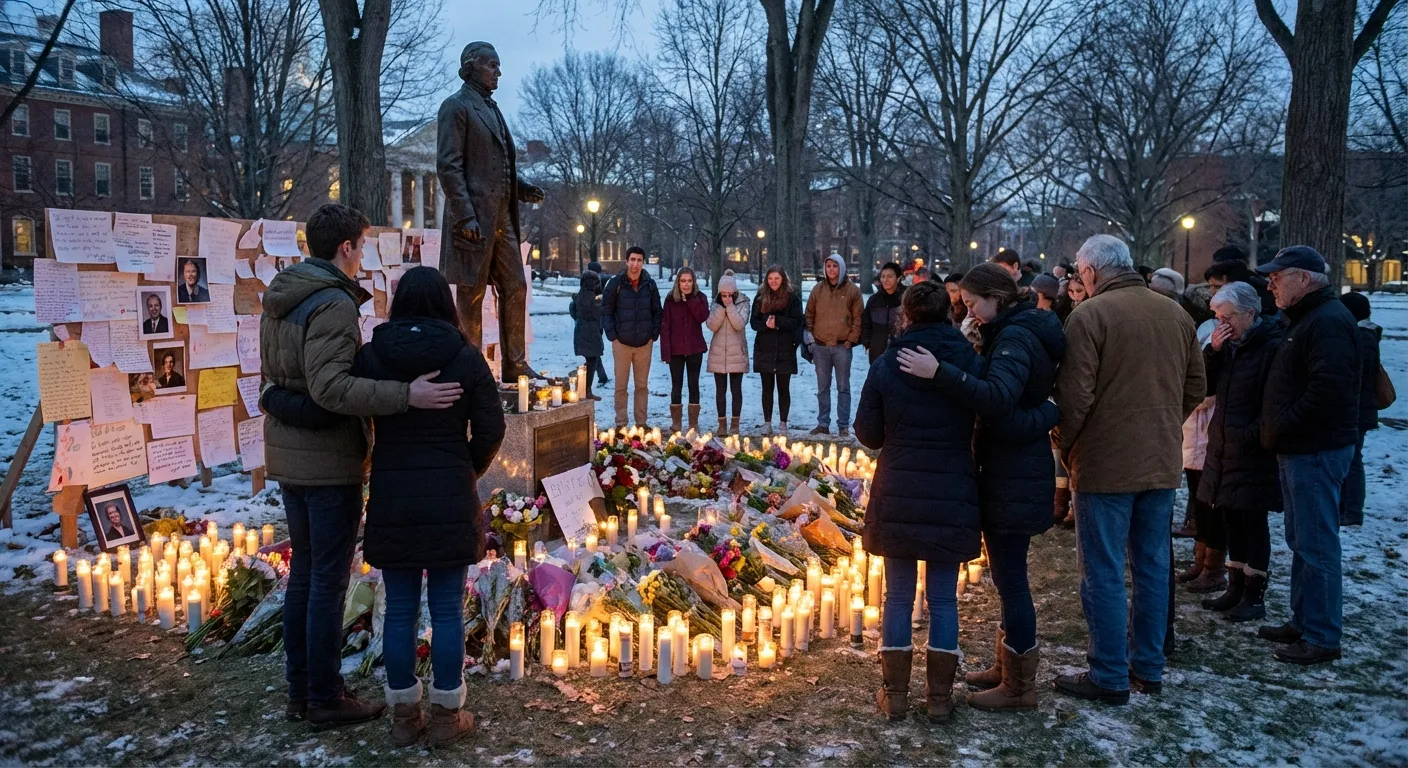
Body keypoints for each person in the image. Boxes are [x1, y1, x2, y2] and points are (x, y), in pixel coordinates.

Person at [259, 203, 462, 729]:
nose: (363, 254)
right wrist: (406, 395)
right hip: (326, 460)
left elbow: (284, 379)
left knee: (305, 575)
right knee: (325, 581)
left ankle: (302, 689)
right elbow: (329, 387)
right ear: (346, 247)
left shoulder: (285, 294)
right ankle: (324, 696)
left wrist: (275, 401)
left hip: (290, 453)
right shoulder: (332, 303)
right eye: (362, 245)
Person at [897, 263, 1065, 712]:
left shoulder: (1014, 338)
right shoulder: (1009, 330)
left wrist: (940, 372)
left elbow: (995, 399)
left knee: (1012, 580)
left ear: (996, 296)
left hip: (1013, 473)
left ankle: (1019, 687)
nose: (967, 310)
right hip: (1010, 468)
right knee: (1008, 578)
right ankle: (1007, 666)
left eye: (972, 303)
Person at [352, 268, 504, 747]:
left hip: (394, 494)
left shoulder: (373, 356)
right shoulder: (464, 356)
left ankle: (402, 715)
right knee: (446, 612)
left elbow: (354, 413)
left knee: (398, 610)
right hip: (449, 493)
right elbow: (491, 428)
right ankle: (444, 714)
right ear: (446, 303)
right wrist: (466, 468)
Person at [1052, 235, 1204, 704]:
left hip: (1105, 463)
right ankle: (1148, 667)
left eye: (1079, 273)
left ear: (1092, 273)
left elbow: (1074, 395)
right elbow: (1195, 385)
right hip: (1159, 460)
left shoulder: (1089, 315)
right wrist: (1160, 423)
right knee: (1153, 567)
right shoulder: (1175, 313)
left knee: (1102, 570)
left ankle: (1110, 674)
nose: (1079, 280)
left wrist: (1065, 443)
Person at [855, 281, 984, 723]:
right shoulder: (966, 360)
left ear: (905, 316)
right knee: (944, 599)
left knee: (897, 596)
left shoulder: (888, 363)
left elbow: (868, 433)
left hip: (901, 487)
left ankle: (894, 695)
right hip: (951, 487)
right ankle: (940, 699)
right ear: (948, 312)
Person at [1254, 246, 1361, 665]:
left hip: (1315, 448)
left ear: (1303, 278)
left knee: (1316, 543)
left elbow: (1327, 391)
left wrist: (1282, 424)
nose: (1271, 284)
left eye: (1278, 277)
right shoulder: (1309, 319)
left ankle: (1321, 634)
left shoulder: (1328, 322)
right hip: (1302, 447)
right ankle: (1305, 619)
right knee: (1302, 539)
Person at [1195, 282, 1283, 622]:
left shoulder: (1270, 346)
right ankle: (1234, 586)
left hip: (1252, 448)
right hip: (1224, 444)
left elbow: (1273, 400)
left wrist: (1251, 435)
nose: (1222, 324)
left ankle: (1253, 593)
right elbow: (1206, 387)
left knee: (1252, 520)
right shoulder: (1229, 345)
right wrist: (1212, 353)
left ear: (1250, 313)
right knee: (1229, 515)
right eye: (1217, 317)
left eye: (1227, 317)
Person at [601, 247, 662, 428]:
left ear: (643, 263)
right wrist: (612, 335)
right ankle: (621, 422)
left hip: (644, 343)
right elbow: (606, 310)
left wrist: (653, 334)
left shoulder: (649, 285)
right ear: (627, 261)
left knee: (642, 386)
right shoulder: (615, 283)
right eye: (633, 260)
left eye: (639, 260)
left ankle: (641, 423)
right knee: (621, 386)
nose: (635, 264)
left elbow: (657, 311)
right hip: (622, 343)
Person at [805, 254, 862, 436]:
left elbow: (858, 318)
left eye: (835, 266)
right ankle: (823, 423)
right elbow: (809, 315)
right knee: (823, 388)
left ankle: (843, 425)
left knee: (843, 387)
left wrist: (850, 340)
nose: (831, 269)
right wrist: (812, 340)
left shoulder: (852, 290)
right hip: (820, 347)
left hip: (841, 347)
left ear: (842, 268)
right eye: (828, 266)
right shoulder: (818, 290)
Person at [1338, 291, 1380, 528]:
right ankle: (1347, 508)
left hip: (1358, 410)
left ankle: (1352, 510)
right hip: (1360, 409)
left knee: (1352, 460)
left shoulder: (1362, 337)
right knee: (1351, 459)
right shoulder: (1366, 334)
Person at [752, 267, 803, 434]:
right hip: (765, 349)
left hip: (785, 349)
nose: (773, 281)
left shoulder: (792, 298)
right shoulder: (760, 298)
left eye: (777, 278)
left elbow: (797, 322)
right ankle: (767, 422)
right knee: (767, 388)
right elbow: (754, 323)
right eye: (770, 278)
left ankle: (783, 422)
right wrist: (766, 324)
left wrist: (778, 321)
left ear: (783, 279)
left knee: (783, 387)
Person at [659, 267, 710, 434]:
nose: (686, 284)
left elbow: (702, 316)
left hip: (695, 348)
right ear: (678, 282)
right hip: (676, 350)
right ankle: (676, 423)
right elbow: (665, 326)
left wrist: (690, 300)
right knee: (676, 385)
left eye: (689, 281)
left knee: (693, 384)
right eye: (683, 281)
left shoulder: (700, 297)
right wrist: (666, 352)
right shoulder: (670, 300)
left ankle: (693, 423)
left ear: (693, 282)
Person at [706, 271, 750, 434]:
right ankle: (722, 423)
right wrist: (721, 308)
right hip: (719, 353)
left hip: (736, 352)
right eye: (723, 294)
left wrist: (730, 307)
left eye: (730, 294)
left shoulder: (743, 303)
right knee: (720, 391)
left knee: (736, 389)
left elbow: (739, 324)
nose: (726, 297)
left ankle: (735, 423)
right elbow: (711, 326)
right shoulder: (715, 305)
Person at [568, 270, 605, 401]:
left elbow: (573, 311)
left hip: (580, 330)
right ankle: (586, 389)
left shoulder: (578, 297)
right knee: (592, 362)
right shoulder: (595, 299)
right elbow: (599, 315)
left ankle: (582, 387)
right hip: (592, 332)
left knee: (588, 361)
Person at [861, 262, 906, 363]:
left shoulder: (907, 299)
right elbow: (866, 323)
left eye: (890, 276)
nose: (885, 280)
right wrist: (867, 342)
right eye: (883, 276)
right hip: (877, 351)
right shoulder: (874, 300)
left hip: (901, 353)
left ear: (898, 278)